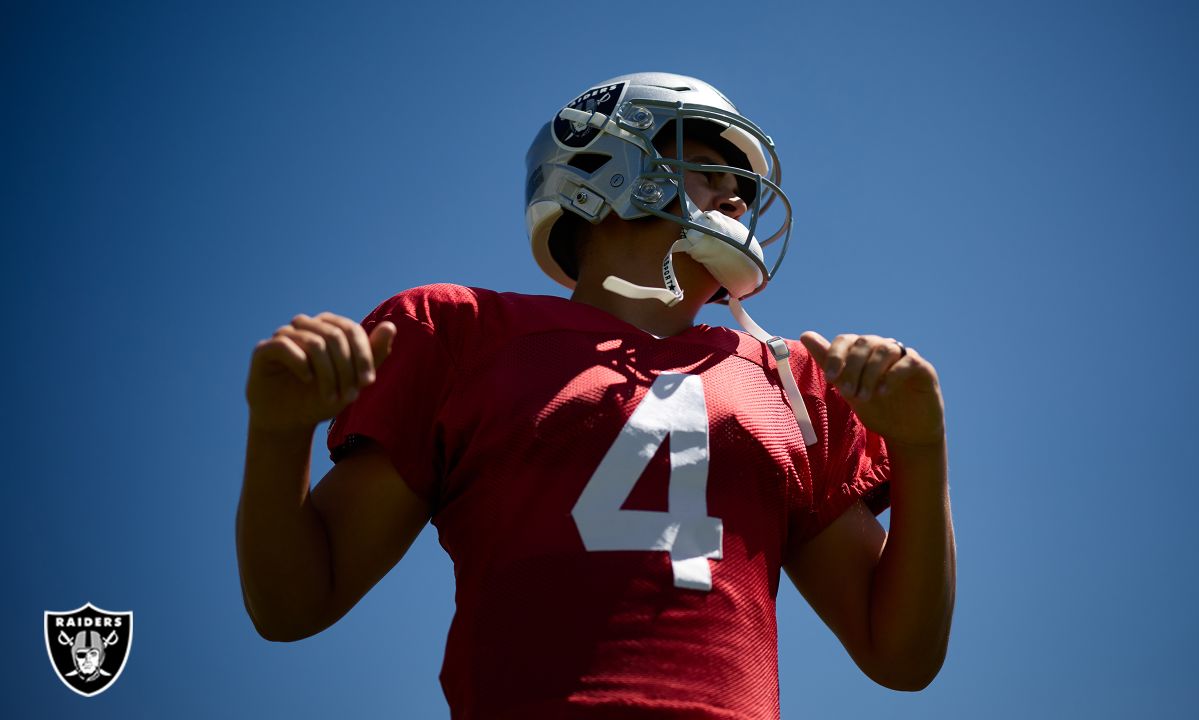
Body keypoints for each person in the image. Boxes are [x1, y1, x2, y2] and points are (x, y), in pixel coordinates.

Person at [237, 72, 955, 719]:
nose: (739, 196)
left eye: (744, 182)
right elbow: (296, 603)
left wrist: (922, 451)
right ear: (607, 163)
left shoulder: (792, 377)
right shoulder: (461, 334)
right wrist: (278, 435)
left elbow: (901, 657)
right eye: (710, 162)